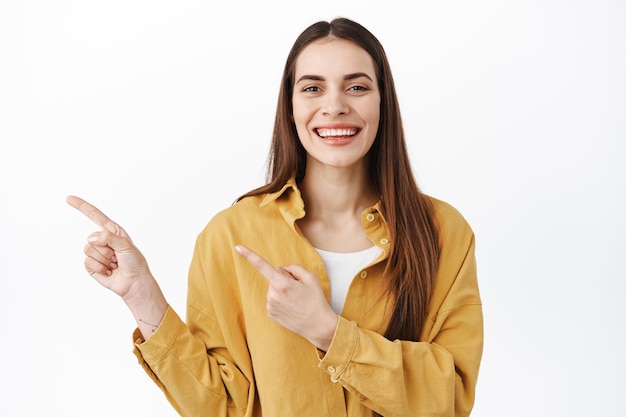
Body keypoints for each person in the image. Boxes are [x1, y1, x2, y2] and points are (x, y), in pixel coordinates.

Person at [68, 17, 483, 417]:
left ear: (382, 103)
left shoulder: (443, 232)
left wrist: (328, 332)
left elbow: (449, 399)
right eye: (312, 88)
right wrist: (141, 296)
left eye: (357, 87)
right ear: (289, 107)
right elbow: (220, 406)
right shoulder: (229, 234)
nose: (334, 106)